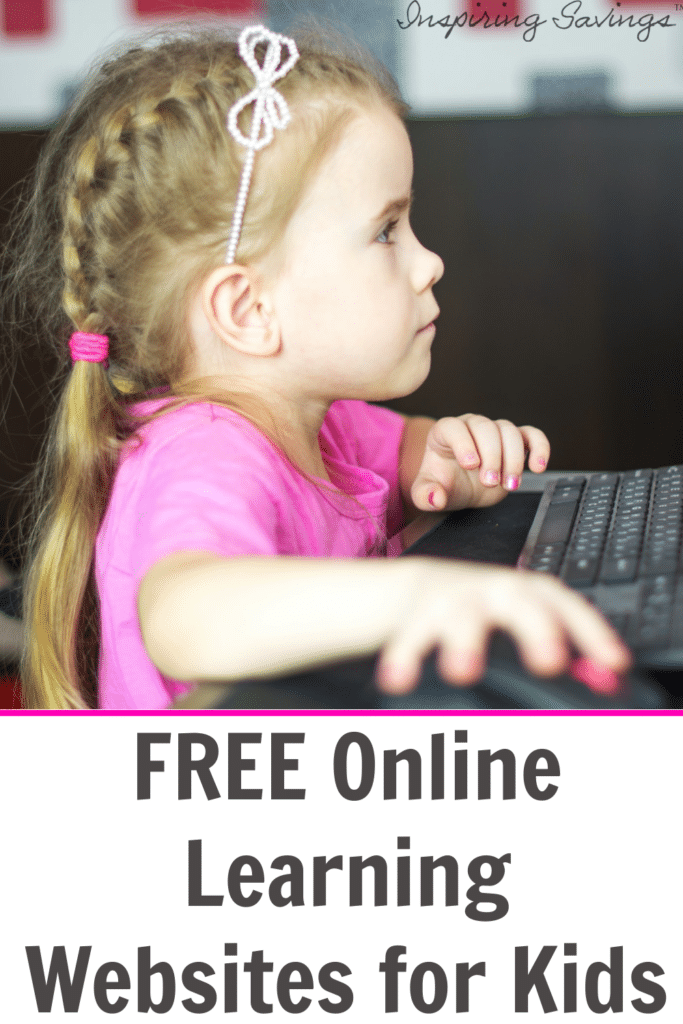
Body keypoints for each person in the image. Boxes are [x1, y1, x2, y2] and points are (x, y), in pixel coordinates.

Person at [11, 23, 630, 710]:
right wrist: (422, 592)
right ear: (247, 309)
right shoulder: (205, 452)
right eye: (386, 231)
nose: (429, 263)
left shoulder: (319, 425)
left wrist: (457, 457)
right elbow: (190, 616)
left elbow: (413, 454)